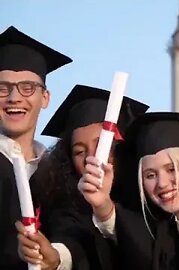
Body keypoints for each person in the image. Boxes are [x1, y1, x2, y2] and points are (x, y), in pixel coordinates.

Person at [78, 112, 179, 270]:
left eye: (172, 169)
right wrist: (102, 203)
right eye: (150, 175)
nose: (162, 184)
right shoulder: (162, 229)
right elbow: (127, 237)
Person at [16, 84, 148, 270]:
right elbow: (71, 239)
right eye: (79, 151)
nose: (91, 158)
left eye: (102, 145)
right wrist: (56, 257)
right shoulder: (68, 203)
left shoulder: (151, 197)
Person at [0, 26, 72, 269]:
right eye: (2, 88)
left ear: (45, 98)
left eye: (28, 87)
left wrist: (57, 257)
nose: (14, 98)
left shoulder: (59, 172)